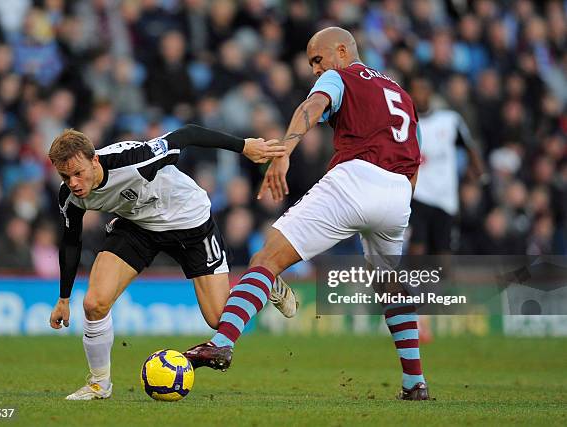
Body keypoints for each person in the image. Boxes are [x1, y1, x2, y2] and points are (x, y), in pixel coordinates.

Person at [185, 27, 430, 400]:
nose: (316, 69)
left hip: (356, 178)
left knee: (267, 257)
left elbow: (310, 108)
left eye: (318, 59)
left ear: (342, 51)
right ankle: (415, 383)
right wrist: (400, 205)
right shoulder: (401, 93)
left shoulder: (341, 76)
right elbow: (415, 160)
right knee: (389, 283)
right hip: (398, 194)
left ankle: (222, 341)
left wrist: (284, 151)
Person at [48, 124, 297, 400]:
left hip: (190, 222)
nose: (73, 183)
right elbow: (71, 242)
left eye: (78, 173)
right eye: (65, 176)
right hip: (138, 227)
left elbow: (187, 134)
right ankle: (99, 384)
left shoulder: (136, 159)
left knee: (219, 319)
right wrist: (64, 298)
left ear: (94, 160)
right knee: (94, 304)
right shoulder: (69, 195)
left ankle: (264, 280)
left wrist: (244, 146)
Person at [408, 76, 485, 256]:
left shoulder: (449, 120)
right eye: (414, 91)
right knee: (417, 244)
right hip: (418, 194)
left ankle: (441, 284)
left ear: (430, 92)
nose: (418, 95)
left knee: (443, 250)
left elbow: (469, 147)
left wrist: (480, 174)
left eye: (422, 90)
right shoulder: (408, 123)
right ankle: (412, 283)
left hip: (445, 197)